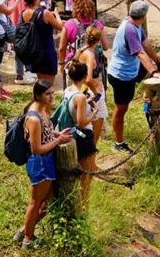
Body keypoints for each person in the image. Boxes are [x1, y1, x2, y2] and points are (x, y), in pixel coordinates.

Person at [15, 79, 73, 251]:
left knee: (46, 203)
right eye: (48, 94)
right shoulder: (33, 117)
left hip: (46, 161)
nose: (51, 97)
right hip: (40, 162)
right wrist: (58, 141)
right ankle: (27, 239)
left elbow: (45, 132)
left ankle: (23, 232)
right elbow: (37, 148)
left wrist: (57, 134)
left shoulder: (42, 111)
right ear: (38, 95)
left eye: (52, 93)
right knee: (36, 203)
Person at [107, 0, 160, 153]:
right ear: (144, 16)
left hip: (131, 69)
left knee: (152, 73)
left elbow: (145, 44)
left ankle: (148, 99)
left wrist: (157, 62)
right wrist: (154, 71)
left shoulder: (134, 24)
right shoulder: (130, 29)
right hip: (121, 75)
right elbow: (140, 53)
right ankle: (118, 143)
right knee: (121, 109)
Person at [63, 60, 99, 208]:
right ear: (85, 76)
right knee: (87, 175)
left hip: (74, 134)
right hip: (84, 136)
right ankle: (84, 206)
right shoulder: (81, 97)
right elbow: (82, 122)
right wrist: (94, 112)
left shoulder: (68, 90)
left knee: (80, 173)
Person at [21, 0, 63, 85]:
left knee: (40, 83)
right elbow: (60, 27)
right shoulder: (45, 13)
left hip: (34, 52)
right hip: (47, 51)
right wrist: (56, 14)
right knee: (49, 85)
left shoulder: (24, 13)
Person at [75, 25, 109, 145]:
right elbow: (88, 78)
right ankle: (90, 159)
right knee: (94, 133)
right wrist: (97, 91)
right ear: (98, 40)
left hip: (84, 90)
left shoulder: (81, 50)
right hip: (92, 93)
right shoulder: (90, 55)